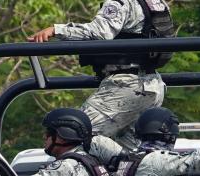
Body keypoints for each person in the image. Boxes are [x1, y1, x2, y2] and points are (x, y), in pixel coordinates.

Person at [28, 0, 174, 164]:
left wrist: (56, 30)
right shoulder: (154, 3)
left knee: (71, 135)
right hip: (150, 84)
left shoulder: (120, 2)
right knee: (129, 157)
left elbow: (99, 32)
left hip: (125, 86)